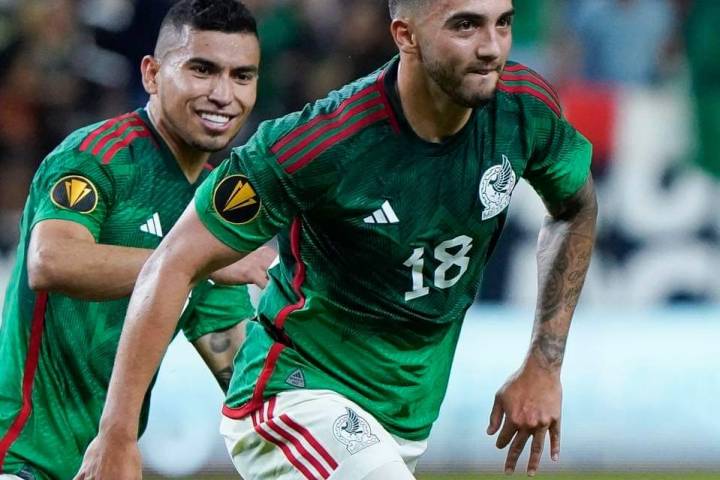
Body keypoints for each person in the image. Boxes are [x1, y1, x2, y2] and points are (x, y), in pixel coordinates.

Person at [76, 0, 598, 478]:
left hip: (402, 416)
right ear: (405, 35)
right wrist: (117, 434)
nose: (491, 47)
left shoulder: (522, 109)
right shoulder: (321, 144)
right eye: (465, 26)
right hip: (295, 397)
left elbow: (575, 209)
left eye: (502, 23)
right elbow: (172, 261)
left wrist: (545, 362)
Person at [0, 1, 274, 479]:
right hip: (19, 455)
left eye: (241, 76)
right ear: (151, 74)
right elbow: (51, 261)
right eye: (202, 70)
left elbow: (233, 357)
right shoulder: (96, 157)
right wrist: (195, 261)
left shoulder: (212, 205)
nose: (222, 95)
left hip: (100, 464)